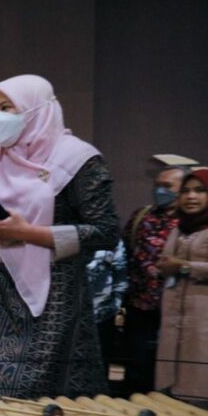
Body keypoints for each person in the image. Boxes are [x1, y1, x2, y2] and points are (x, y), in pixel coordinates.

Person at [0, 74, 119, 400]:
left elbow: (107, 232)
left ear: (35, 108)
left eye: (7, 108)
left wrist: (31, 234)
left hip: (59, 294)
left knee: (51, 399)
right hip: (3, 294)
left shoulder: (79, 160)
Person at [121, 165, 186, 394]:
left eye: (167, 186)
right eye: (157, 185)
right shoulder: (142, 216)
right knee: (137, 365)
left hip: (177, 309)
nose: (160, 191)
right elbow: (126, 250)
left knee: (174, 369)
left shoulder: (192, 222)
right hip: (140, 305)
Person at [154, 167, 208, 402]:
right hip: (173, 321)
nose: (191, 196)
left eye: (200, 190)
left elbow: (181, 265)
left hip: (202, 325)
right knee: (170, 400)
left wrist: (185, 266)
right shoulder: (179, 228)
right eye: (185, 191)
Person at [86, 239, 128, 383]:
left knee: (101, 362)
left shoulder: (113, 240)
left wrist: (115, 305)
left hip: (103, 314)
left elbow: (121, 275)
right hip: (69, 314)